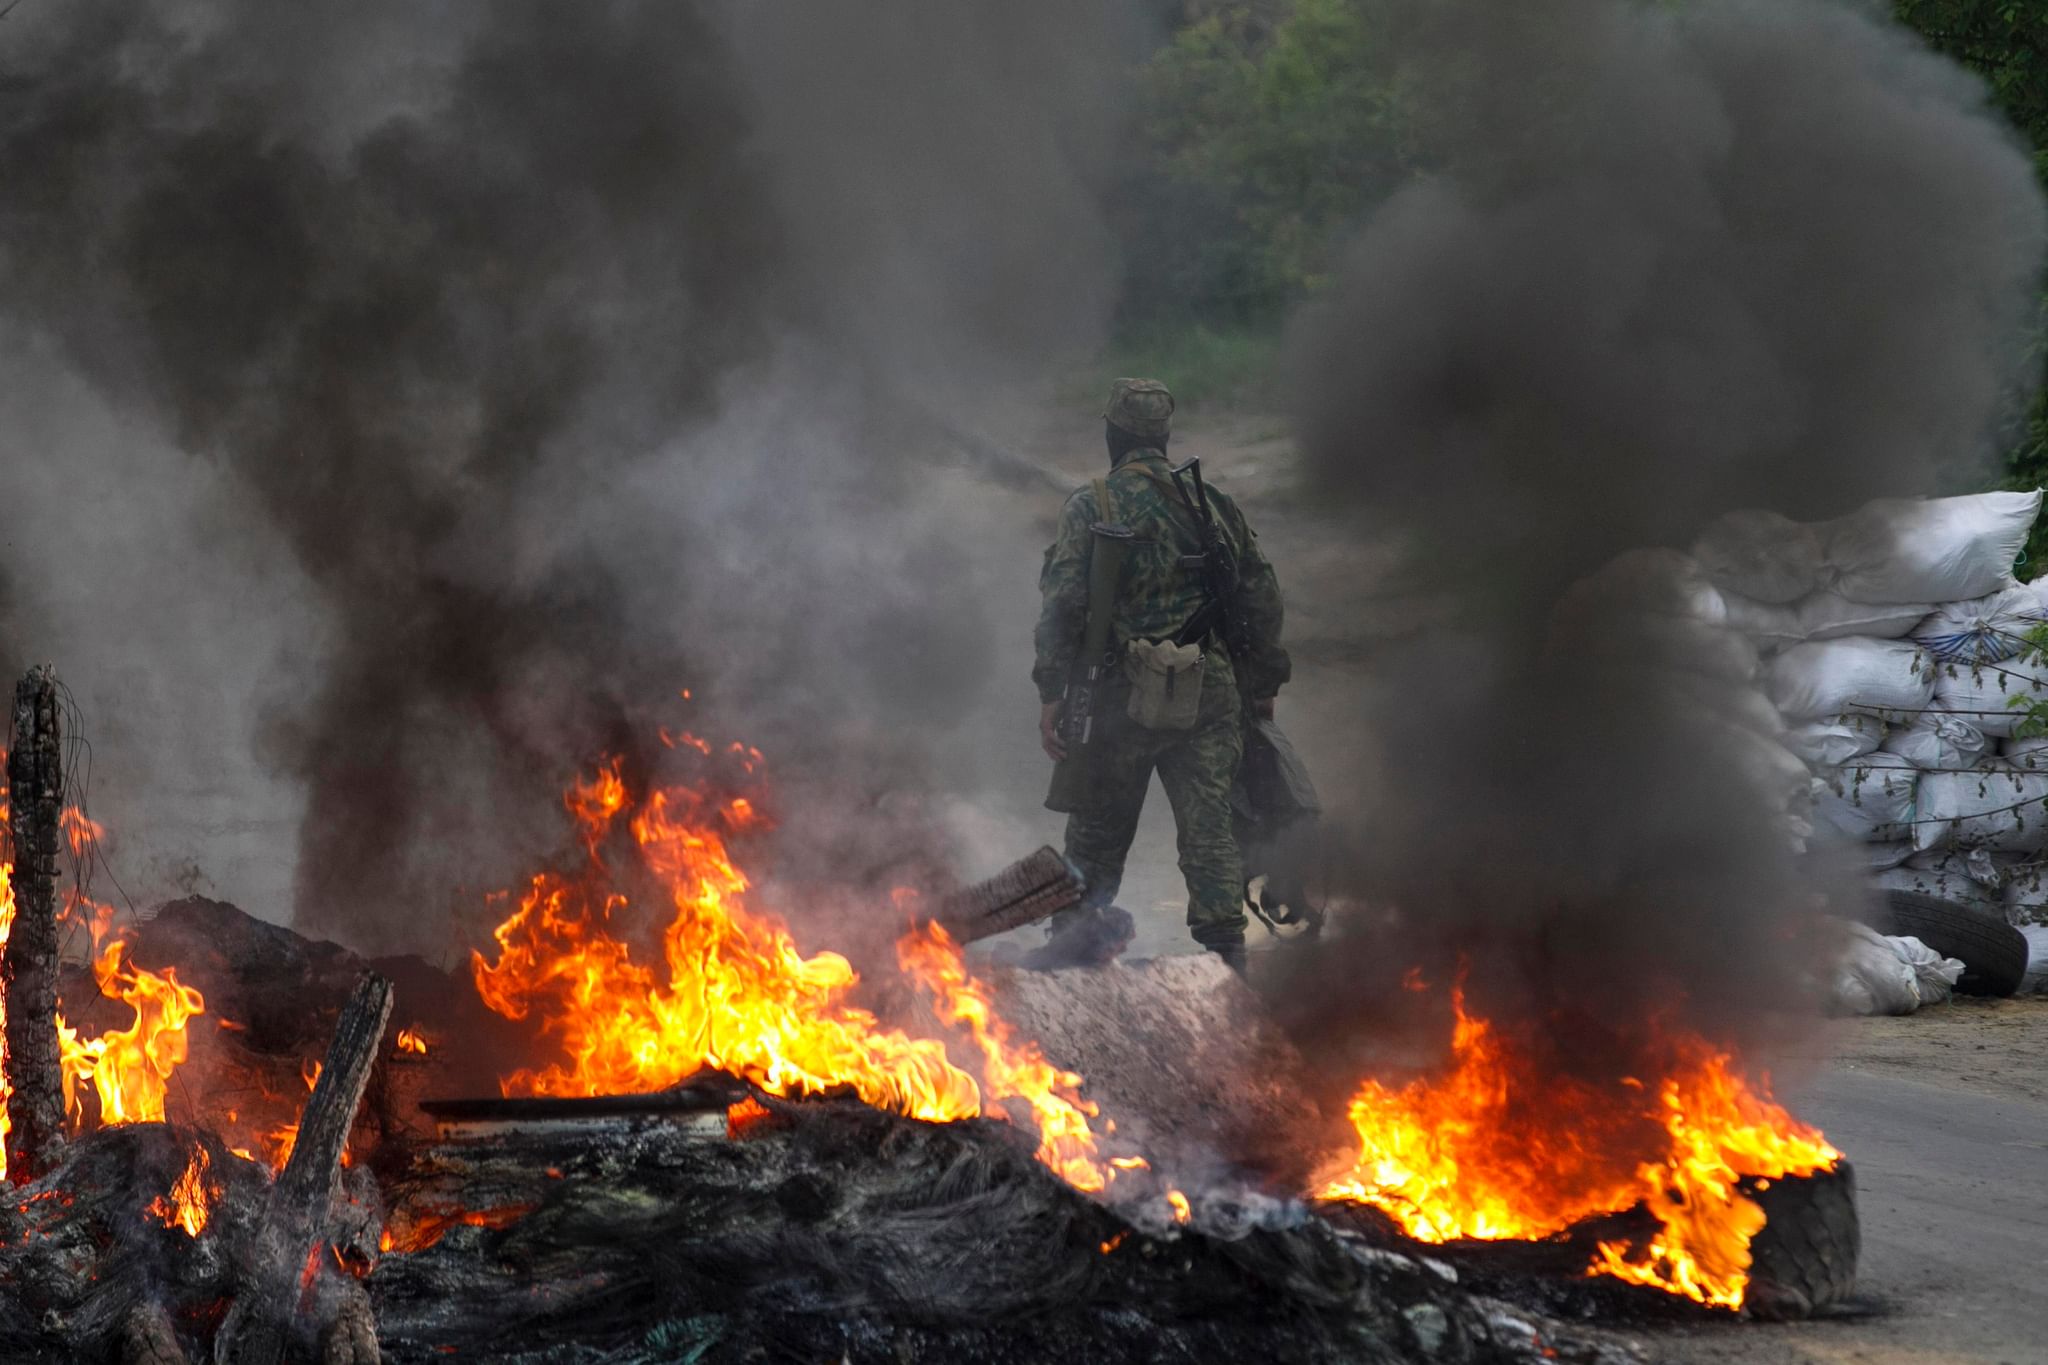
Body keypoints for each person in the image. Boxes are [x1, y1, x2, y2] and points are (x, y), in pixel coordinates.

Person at [1030, 378, 1289, 971]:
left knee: (1096, 828)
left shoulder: (1092, 504)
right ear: (1164, 438)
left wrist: (1052, 692)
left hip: (1119, 694)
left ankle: (1070, 952)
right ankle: (1228, 961)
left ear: (1111, 434)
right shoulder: (1211, 504)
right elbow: (1261, 596)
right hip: (1207, 689)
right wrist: (1265, 684)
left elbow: (1064, 604)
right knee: (1210, 829)